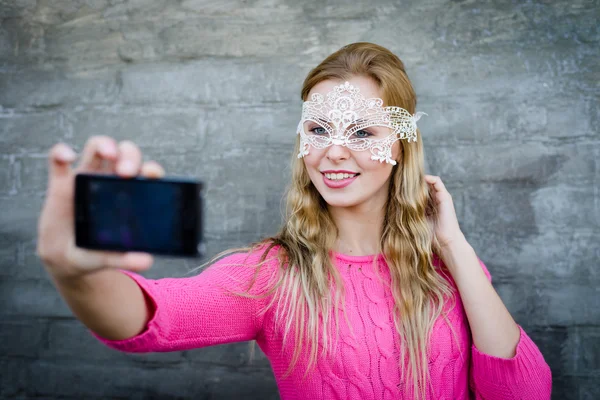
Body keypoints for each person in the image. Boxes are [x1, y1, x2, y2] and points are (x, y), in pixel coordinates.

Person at [36, 42, 552, 399]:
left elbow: (525, 391)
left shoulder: (449, 267)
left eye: (363, 132)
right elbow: (152, 318)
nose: (334, 151)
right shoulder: (272, 275)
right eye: (319, 129)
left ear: (402, 144)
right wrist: (75, 273)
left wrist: (455, 245)